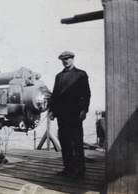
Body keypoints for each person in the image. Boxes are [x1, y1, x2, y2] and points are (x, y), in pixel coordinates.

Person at [48, 51, 91, 179]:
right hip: (62, 115)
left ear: (73, 59)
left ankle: (80, 170)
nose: (65, 61)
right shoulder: (59, 76)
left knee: (77, 142)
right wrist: (52, 111)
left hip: (75, 114)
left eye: (68, 59)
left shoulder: (80, 75)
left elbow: (87, 94)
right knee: (65, 142)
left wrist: (84, 110)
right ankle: (68, 168)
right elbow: (55, 95)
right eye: (63, 59)